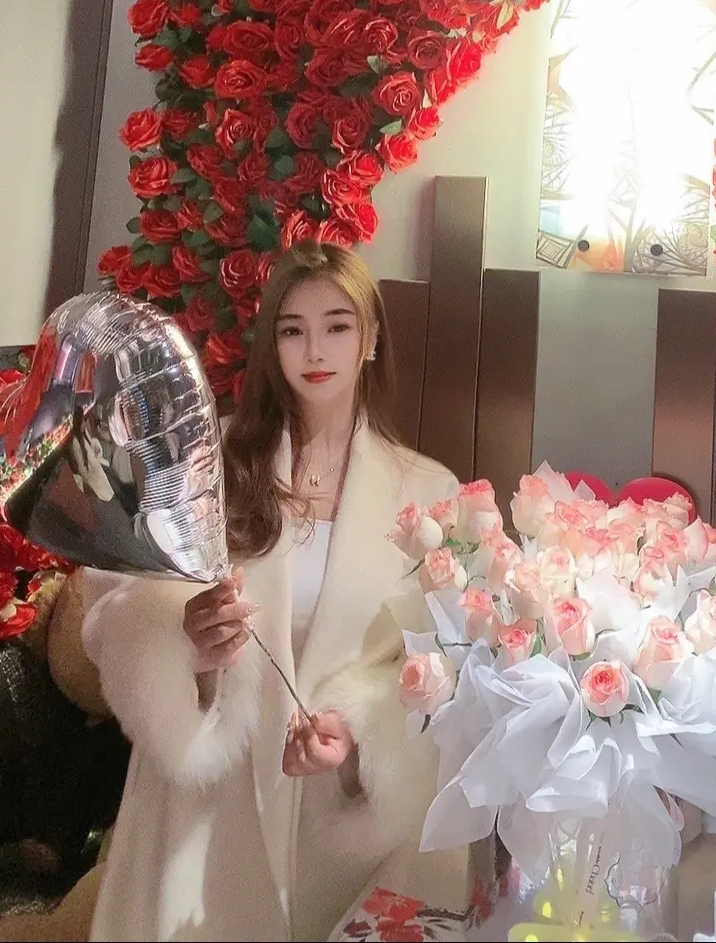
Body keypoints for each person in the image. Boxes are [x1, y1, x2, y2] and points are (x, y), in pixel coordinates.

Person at [76, 241, 469, 941]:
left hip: (333, 825)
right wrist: (184, 644)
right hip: (200, 815)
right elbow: (112, 606)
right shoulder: (206, 460)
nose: (315, 350)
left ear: (371, 338)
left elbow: (442, 669)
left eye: (337, 326)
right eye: (293, 330)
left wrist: (360, 736)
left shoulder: (429, 493)